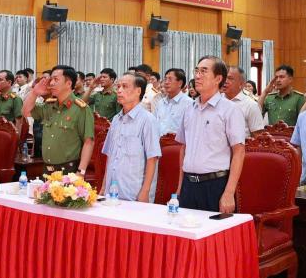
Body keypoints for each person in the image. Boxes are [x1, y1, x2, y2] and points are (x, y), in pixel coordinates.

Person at [175, 56, 247, 213]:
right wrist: (179, 189)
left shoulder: (230, 110)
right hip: (188, 185)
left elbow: (239, 152)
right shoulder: (189, 109)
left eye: (204, 71)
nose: (197, 76)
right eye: (196, 71)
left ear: (218, 79)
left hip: (215, 185)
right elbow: (183, 149)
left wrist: (229, 193)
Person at [22, 65, 94, 174]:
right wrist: (34, 92)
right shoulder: (49, 105)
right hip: (47, 169)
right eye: (51, 79)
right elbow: (25, 111)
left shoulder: (81, 109)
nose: (51, 83)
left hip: (69, 170)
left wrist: (81, 172)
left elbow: (88, 142)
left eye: (56, 79)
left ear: (68, 83)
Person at [101, 72, 161, 202]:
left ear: (138, 91)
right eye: (118, 87)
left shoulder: (147, 120)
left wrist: (145, 191)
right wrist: (104, 187)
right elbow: (110, 156)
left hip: (134, 194)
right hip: (111, 192)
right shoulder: (116, 120)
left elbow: (152, 159)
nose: (119, 91)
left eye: (125, 86)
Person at [224, 66, 265, 135]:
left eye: (230, 78)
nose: (225, 81)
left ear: (242, 84)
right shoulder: (217, 100)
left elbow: (258, 136)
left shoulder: (251, 105)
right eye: (224, 77)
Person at [153, 68, 191, 135]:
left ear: (180, 83)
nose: (166, 82)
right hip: (159, 140)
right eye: (165, 79)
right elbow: (155, 124)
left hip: (178, 141)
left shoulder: (188, 103)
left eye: (170, 79)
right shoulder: (161, 103)